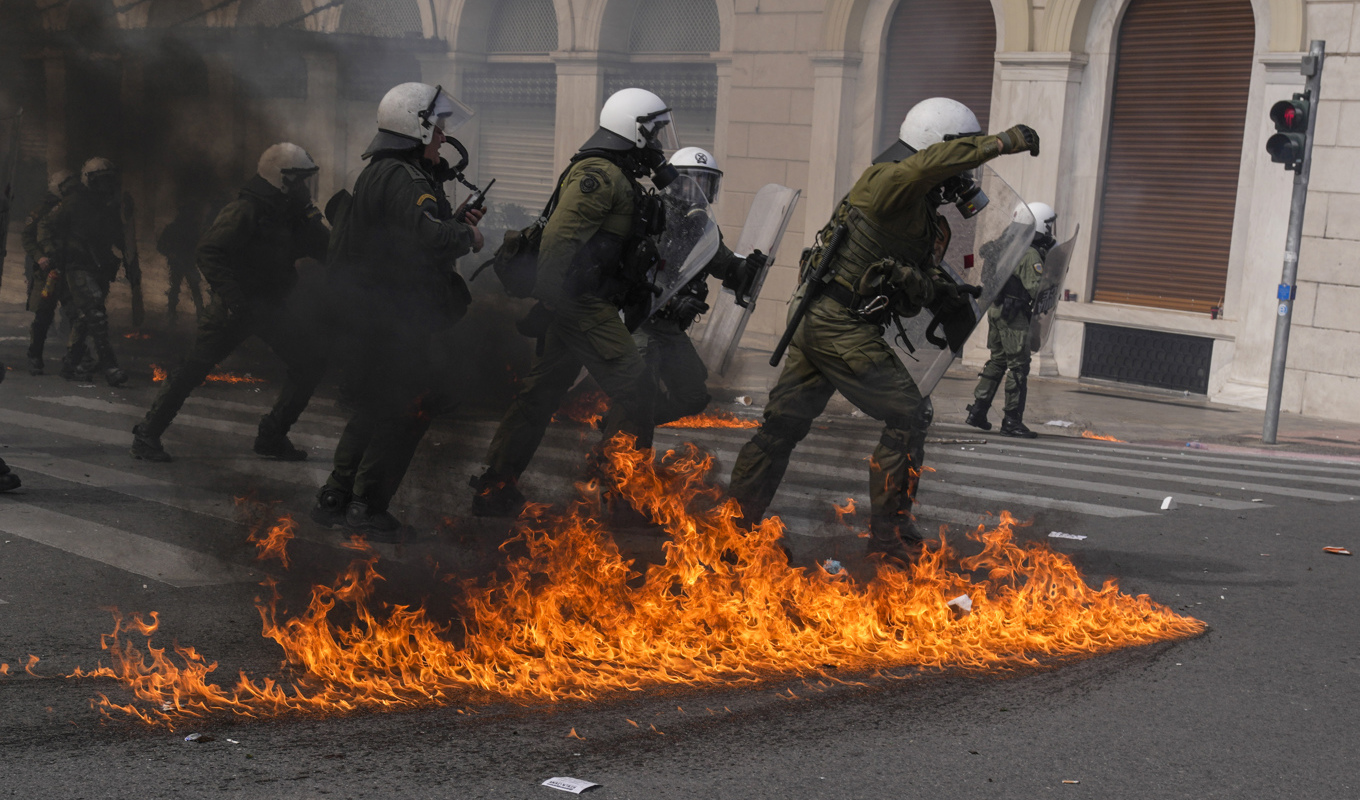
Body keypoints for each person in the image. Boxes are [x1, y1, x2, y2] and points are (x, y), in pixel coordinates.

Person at [727, 98, 1041, 566]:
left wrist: (944, 293)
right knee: (909, 414)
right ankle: (889, 538)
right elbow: (926, 167)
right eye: (960, 156)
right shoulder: (888, 182)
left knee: (782, 426)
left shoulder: (920, 211)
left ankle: (735, 531)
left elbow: (912, 271)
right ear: (937, 149)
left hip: (829, 321)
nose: (963, 175)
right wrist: (1002, 142)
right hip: (839, 323)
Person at [469, 87, 681, 517]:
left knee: (541, 393)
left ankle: (495, 486)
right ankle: (622, 495)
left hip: (581, 302)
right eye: (654, 131)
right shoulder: (599, 175)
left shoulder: (617, 175)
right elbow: (559, 242)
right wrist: (550, 303)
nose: (659, 142)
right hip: (581, 304)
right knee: (638, 390)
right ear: (634, 130)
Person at [310, 82, 484, 540]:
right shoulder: (406, 179)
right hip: (396, 320)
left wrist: (452, 223)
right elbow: (429, 239)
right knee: (407, 409)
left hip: (374, 315)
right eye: (438, 128)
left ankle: (336, 497)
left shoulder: (380, 171)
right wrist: (467, 236)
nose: (443, 137)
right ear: (416, 127)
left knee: (373, 405)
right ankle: (367, 506)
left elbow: (404, 238)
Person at [130, 143, 331, 463]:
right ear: (282, 179)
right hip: (235, 308)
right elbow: (209, 251)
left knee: (309, 362)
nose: (304, 187)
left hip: (270, 306)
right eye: (299, 180)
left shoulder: (289, 214)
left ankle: (272, 436)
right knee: (193, 369)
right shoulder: (245, 210)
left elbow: (326, 250)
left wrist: (317, 222)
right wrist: (234, 298)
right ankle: (147, 433)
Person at [635, 147, 764, 426]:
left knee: (692, 395)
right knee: (639, 391)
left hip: (669, 325)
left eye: (706, 183)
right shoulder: (651, 214)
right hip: (638, 319)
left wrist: (747, 267)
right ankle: (622, 433)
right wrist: (670, 300)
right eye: (692, 182)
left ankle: (632, 423)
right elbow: (635, 272)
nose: (699, 190)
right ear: (675, 183)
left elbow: (724, 264)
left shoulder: (700, 224)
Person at [37, 158, 141, 386]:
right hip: (77, 266)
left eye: (109, 180)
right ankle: (110, 366)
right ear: (90, 180)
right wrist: (54, 253)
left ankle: (70, 364)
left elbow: (118, 236)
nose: (106, 185)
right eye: (102, 180)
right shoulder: (73, 202)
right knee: (96, 315)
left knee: (86, 319)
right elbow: (46, 226)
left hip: (99, 267)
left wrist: (129, 263)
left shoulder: (109, 206)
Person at [965, 201, 1056, 439]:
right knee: (1018, 367)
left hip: (996, 310)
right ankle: (1011, 421)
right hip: (1014, 316)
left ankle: (978, 411)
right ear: (1040, 225)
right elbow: (1036, 289)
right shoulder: (1030, 252)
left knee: (997, 361)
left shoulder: (1004, 244)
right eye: (1048, 225)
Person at [22, 170, 81, 375]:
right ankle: (35, 355)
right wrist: (40, 257)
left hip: (69, 268)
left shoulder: (73, 208)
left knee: (76, 314)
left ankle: (76, 358)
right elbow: (28, 237)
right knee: (43, 315)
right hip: (48, 271)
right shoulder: (42, 210)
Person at [156, 191, 208, 326]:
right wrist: (170, 253)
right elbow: (160, 246)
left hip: (188, 263)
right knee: (177, 289)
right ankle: (172, 316)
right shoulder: (173, 228)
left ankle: (199, 316)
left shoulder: (193, 229)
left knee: (193, 289)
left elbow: (200, 246)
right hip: (178, 263)